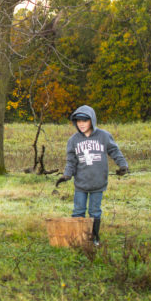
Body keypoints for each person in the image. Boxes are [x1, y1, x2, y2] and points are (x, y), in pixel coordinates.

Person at [55, 105, 129, 246]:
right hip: (81, 184)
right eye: (78, 121)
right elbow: (71, 161)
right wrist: (66, 175)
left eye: (85, 121)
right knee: (78, 210)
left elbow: (115, 151)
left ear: (92, 120)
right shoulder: (73, 140)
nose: (81, 124)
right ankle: (78, 239)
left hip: (98, 182)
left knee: (95, 211)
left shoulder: (104, 136)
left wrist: (123, 165)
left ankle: (94, 239)